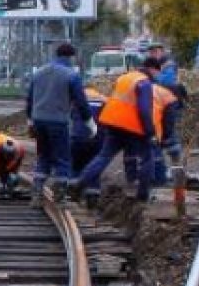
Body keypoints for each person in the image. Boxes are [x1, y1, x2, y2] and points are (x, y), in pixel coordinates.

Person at [77, 56, 165, 207]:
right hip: (131, 126)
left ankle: (79, 184)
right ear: (153, 69)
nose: (158, 76)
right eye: (158, 73)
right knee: (147, 157)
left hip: (112, 123)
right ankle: (143, 195)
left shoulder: (125, 78)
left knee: (104, 156)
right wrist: (150, 132)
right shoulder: (144, 83)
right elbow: (144, 109)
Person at [26, 42, 92, 206]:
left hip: (38, 120)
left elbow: (29, 98)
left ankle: (37, 194)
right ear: (71, 57)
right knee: (62, 158)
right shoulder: (71, 75)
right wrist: (89, 122)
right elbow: (81, 102)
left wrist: (30, 119)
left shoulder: (39, 72)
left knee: (43, 155)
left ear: (56, 55)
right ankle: (60, 196)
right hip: (58, 121)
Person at [71, 87, 106, 174]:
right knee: (94, 163)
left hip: (78, 138)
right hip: (98, 139)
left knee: (75, 165)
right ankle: (94, 185)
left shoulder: (74, 100)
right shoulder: (104, 100)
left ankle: (73, 182)